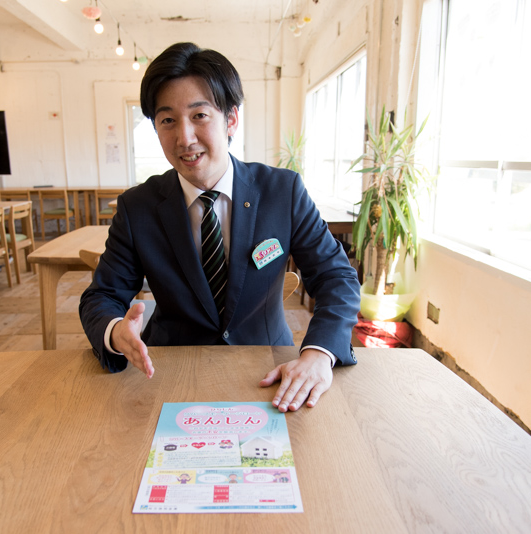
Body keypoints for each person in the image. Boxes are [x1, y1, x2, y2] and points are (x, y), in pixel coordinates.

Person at [80, 42, 359, 412]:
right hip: (168, 371)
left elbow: (335, 276)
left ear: (231, 120)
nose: (185, 138)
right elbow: (101, 296)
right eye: (167, 120)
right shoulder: (138, 207)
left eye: (199, 115)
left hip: (268, 369)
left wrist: (319, 353)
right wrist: (116, 331)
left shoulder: (282, 191)